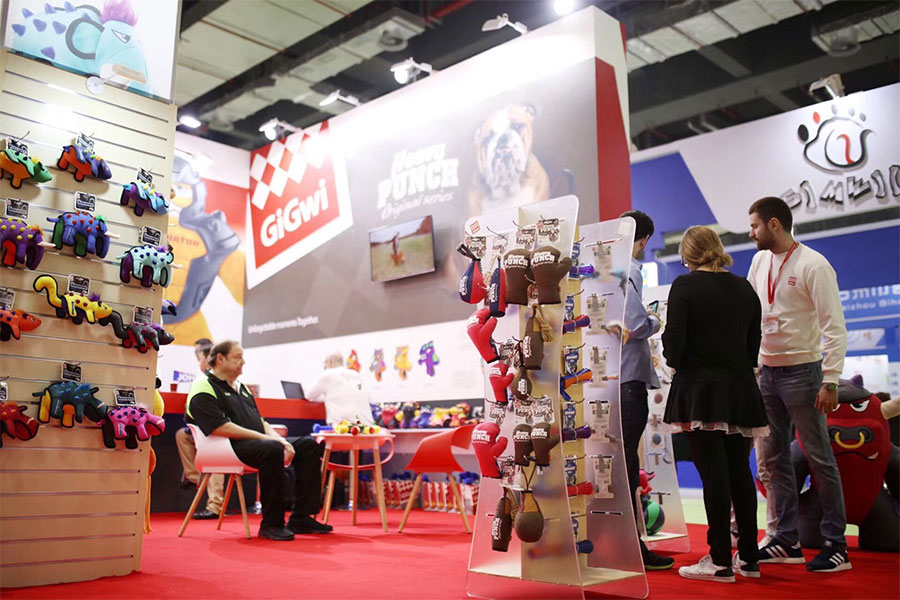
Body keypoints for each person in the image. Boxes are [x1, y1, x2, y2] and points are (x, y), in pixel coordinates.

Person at [747, 197, 850, 572]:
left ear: (774, 224)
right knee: (774, 461)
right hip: (766, 373)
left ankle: (836, 545)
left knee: (820, 458)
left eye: (755, 226)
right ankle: (785, 540)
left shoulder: (814, 264)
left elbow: (834, 326)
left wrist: (831, 379)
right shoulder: (759, 262)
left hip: (804, 373)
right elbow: (751, 314)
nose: (751, 233)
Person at [662, 226, 769, 583]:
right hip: (740, 389)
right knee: (740, 472)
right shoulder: (744, 288)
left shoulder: (685, 286)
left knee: (713, 474)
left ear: (688, 256)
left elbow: (673, 347)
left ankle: (720, 559)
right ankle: (749, 558)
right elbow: (753, 345)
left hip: (701, 391)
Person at [186, 340, 330, 541]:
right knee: (271, 448)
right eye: (238, 357)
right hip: (224, 447)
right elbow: (220, 427)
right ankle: (272, 524)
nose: (243, 362)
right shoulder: (203, 386)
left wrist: (280, 439)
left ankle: (301, 517)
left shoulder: (241, 387)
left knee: (308, 445)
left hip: (253, 443)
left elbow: (260, 422)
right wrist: (270, 440)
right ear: (220, 359)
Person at [618, 210, 674, 571]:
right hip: (629, 380)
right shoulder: (630, 269)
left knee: (618, 464)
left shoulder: (598, 269)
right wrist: (655, 319)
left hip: (606, 380)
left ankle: (621, 544)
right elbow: (637, 324)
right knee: (627, 464)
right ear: (644, 240)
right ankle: (634, 548)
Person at [174, 338, 225, 520]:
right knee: (183, 435)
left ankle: (215, 505)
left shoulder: (217, 380)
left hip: (219, 431)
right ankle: (195, 477)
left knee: (216, 453)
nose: (198, 361)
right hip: (203, 428)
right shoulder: (205, 379)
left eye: (200, 357)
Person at [307, 352, 374, 426]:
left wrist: (326, 396)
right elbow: (368, 398)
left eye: (325, 363)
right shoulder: (356, 375)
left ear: (330, 362)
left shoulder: (327, 375)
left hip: (344, 427)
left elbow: (309, 395)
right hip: (368, 426)